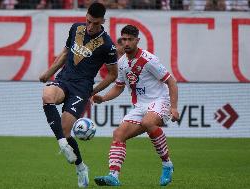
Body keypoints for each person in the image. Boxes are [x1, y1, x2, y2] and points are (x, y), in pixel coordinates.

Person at [39, 2, 118, 188]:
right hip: (64, 79)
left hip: (82, 89)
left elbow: (113, 74)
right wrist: (48, 72)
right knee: (47, 96)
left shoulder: (108, 45)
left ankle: (81, 167)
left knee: (66, 131)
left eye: (95, 23)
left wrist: (93, 91)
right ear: (86, 16)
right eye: (88, 21)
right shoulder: (76, 28)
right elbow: (66, 52)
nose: (90, 27)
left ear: (103, 21)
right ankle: (62, 144)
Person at [93, 24, 179, 186]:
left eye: (130, 40)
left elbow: (171, 81)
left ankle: (167, 164)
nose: (126, 43)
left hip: (160, 101)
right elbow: (119, 87)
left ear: (137, 40)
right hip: (140, 106)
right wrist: (103, 98)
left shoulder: (149, 60)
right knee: (119, 134)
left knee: (148, 122)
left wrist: (173, 107)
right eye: (124, 39)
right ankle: (114, 175)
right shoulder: (122, 63)